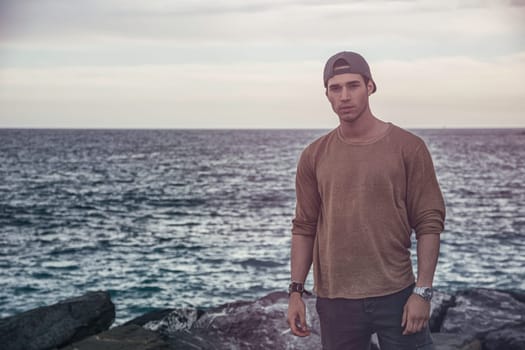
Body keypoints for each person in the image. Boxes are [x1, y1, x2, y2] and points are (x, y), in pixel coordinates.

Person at [286, 51, 446, 350]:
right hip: (336, 302)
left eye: (353, 85)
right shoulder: (314, 155)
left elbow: (428, 222)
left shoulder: (408, 148)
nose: (344, 96)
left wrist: (422, 292)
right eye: (335, 88)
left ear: (370, 87)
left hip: (396, 294)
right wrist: (296, 293)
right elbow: (304, 226)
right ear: (327, 94)